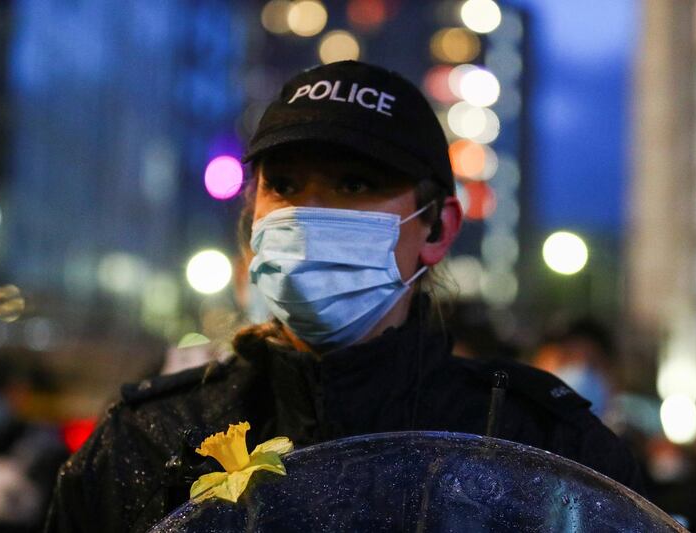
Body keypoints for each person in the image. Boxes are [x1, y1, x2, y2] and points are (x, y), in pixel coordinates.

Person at [44, 61, 644, 532]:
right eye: (283, 185)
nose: (306, 215)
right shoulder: (153, 438)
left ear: (437, 229)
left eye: (355, 185)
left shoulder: (536, 448)